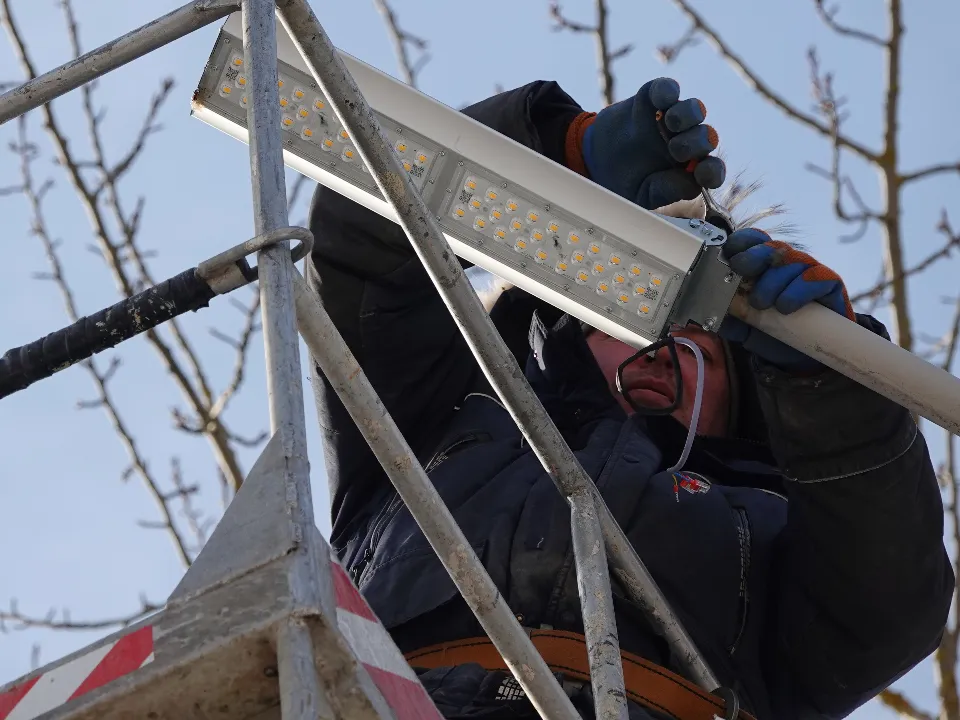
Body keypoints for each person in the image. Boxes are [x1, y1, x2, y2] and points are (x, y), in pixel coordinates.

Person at [305, 78, 953, 719]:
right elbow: (361, 239)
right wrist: (556, 155)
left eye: (703, 339)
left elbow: (888, 604)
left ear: (748, 391)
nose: (667, 347)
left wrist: (830, 387)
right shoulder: (434, 427)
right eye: (635, 318)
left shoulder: (775, 529)